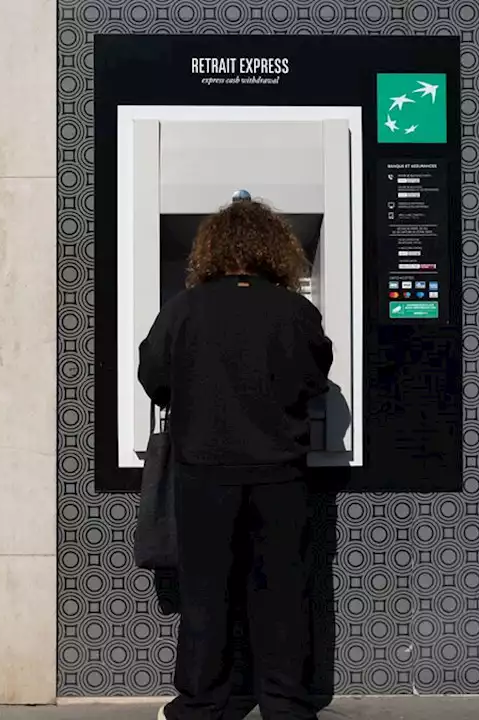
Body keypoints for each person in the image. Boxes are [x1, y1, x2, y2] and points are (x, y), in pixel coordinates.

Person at [139, 198, 333, 720]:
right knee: (282, 594)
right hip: (280, 476)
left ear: (212, 250)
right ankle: (287, 705)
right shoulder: (297, 311)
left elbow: (153, 377)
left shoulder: (183, 308)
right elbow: (315, 380)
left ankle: (201, 704)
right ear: (276, 249)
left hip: (205, 474)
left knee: (207, 594)